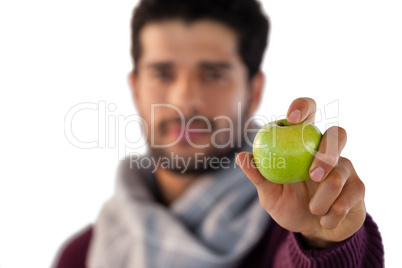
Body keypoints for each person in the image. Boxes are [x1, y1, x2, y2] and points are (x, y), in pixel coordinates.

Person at [53, 0, 384, 267]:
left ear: (253, 92)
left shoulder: (295, 229)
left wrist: (325, 242)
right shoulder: (80, 257)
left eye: (213, 74)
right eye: (163, 73)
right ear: (136, 89)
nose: (184, 100)